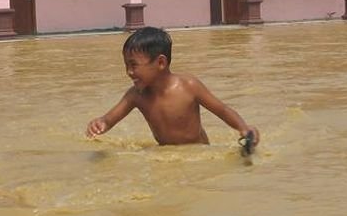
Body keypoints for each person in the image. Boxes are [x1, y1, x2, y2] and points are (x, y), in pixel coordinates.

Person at [86, 26, 260, 148]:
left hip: (198, 152)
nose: (129, 72)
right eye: (126, 65)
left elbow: (222, 110)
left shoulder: (189, 86)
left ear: (161, 62)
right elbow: (109, 119)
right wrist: (100, 124)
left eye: (134, 65)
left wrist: (243, 128)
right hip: (167, 155)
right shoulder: (136, 95)